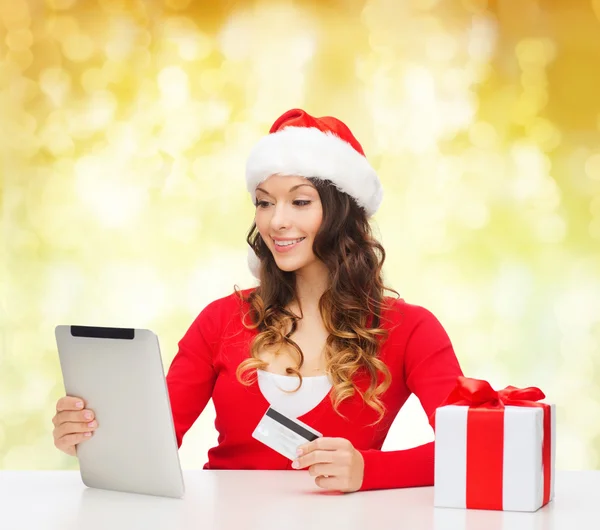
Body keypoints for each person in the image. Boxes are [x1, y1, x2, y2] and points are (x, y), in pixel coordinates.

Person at [52, 108, 464, 493]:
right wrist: (91, 439)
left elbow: (471, 449)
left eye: (300, 201)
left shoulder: (409, 329)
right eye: (264, 202)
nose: (275, 220)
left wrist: (368, 471)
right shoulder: (219, 320)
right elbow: (150, 446)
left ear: (343, 212)